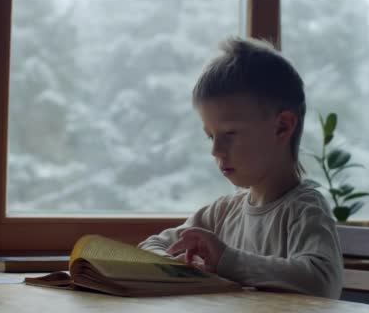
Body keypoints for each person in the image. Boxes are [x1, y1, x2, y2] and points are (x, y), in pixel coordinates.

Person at [138, 37, 343, 299]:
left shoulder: (304, 209)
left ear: (281, 127)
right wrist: (180, 267)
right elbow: (150, 246)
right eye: (211, 136)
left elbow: (322, 280)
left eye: (230, 133)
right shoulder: (221, 212)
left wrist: (226, 260)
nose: (215, 150)